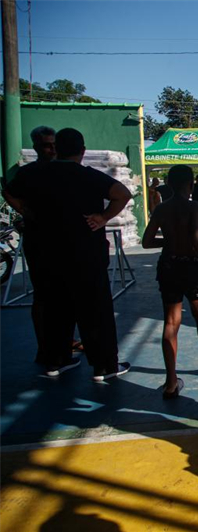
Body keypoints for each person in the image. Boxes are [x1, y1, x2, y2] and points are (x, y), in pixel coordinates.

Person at [7, 128, 132, 381]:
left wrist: (25, 211)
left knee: (54, 308)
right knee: (94, 310)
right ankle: (104, 366)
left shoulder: (32, 174)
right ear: (82, 151)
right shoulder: (87, 176)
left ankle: (56, 360)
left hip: (46, 255)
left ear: (57, 149)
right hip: (84, 255)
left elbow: (7, 191)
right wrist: (103, 217)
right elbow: (122, 194)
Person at [142, 165, 198, 399]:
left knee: (171, 322)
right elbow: (196, 240)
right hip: (190, 267)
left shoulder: (161, 209)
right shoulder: (193, 207)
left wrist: (170, 241)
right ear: (190, 184)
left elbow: (147, 242)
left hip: (168, 266)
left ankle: (171, 382)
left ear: (169, 185)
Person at [2, 125, 84, 371]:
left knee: (67, 295)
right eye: (45, 146)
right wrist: (24, 211)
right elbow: (8, 192)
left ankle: (63, 342)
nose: (51, 150)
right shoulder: (30, 173)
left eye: (53, 145)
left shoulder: (63, 170)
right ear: (36, 147)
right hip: (40, 242)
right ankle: (48, 349)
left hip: (65, 241)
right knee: (44, 296)